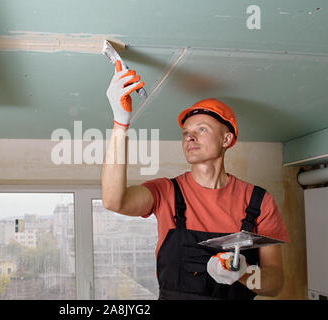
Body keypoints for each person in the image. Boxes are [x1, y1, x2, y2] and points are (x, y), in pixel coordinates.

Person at [101, 61, 289, 300]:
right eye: (185, 133)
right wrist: (120, 124)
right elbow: (113, 201)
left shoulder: (259, 201)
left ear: (226, 139)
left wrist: (243, 273)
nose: (190, 137)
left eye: (201, 129)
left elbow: (275, 283)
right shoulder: (166, 192)